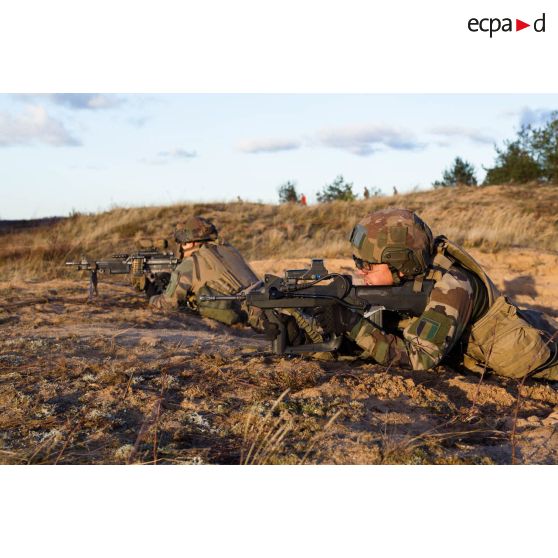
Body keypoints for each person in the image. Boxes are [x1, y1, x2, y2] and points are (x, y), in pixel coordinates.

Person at [317, 208, 558, 380]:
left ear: (399, 265)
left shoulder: (452, 287)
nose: (360, 271)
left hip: (539, 350)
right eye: (357, 262)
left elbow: (419, 359)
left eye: (367, 265)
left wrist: (352, 325)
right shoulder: (418, 276)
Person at [150, 216, 264, 330]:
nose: (180, 247)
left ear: (192, 243)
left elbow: (167, 304)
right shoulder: (228, 249)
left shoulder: (191, 264)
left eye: (182, 242)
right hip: (262, 303)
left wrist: (150, 292)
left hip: (244, 324)